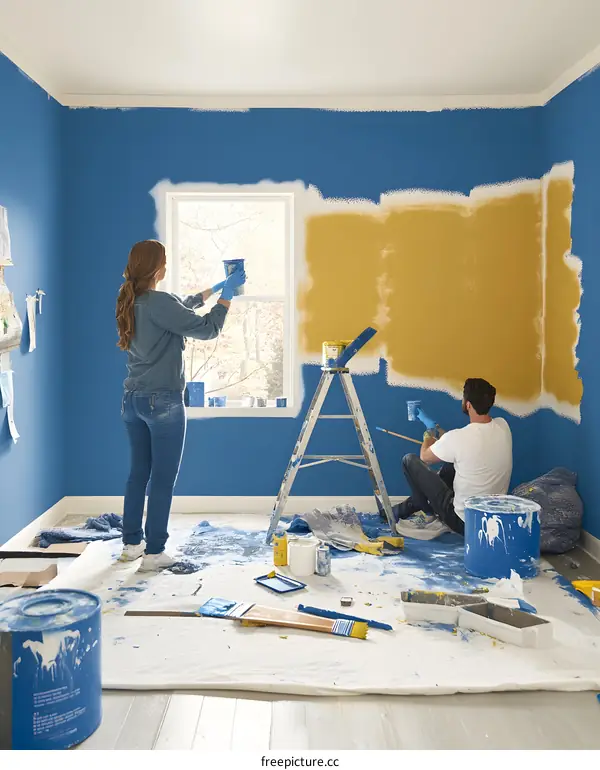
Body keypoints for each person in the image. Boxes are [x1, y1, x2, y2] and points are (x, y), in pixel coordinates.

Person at [115, 239, 245, 570]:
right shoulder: (159, 302)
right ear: (159, 269)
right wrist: (227, 296)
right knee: (162, 478)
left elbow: (179, 307)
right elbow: (208, 328)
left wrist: (213, 289)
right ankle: (154, 553)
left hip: (132, 401)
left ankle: (131, 545)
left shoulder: (132, 299)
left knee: (138, 474)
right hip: (163, 403)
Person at [392, 378, 512, 540]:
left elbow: (425, 457)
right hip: (491, 518)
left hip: (462, 521)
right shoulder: (502, 426)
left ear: (468, 404)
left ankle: (428, 513)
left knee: (409, 460)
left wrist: (428, 432)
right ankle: (399, 511)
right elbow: (459, 445)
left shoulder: (458, 438)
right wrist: (438, 429)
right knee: (452, 462)